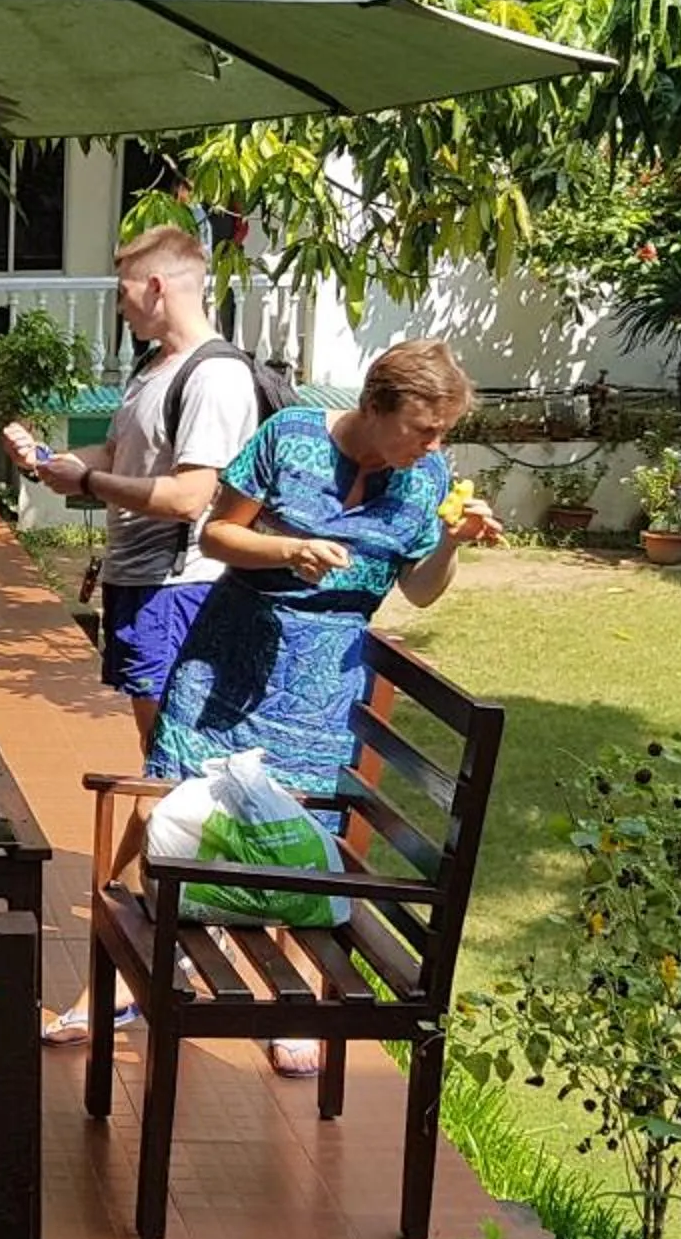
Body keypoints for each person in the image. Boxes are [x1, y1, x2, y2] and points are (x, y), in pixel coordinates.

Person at [152, 337, 502, 1075]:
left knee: (303, 834)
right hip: (233, 656)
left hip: (322, 679)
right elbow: (218, 533)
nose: (434, 446)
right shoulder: (290, 437)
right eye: (424, 429)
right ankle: (146, 968)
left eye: (443, 433)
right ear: (375, 405)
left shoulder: (426, 478)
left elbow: (420, 591)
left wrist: (451, 542)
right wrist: (289, 550)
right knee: (181, 806)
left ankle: (295, 1004)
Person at [3, 224, 264, 1044]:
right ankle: (181, 931)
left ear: (158, 286)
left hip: (179, 592)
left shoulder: (213, 376)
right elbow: (123, 455)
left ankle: (150, 954)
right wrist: (53, 461)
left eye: (124, 290)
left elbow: (189, 496)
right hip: (138, 587)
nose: (119, 305)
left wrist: (89, 478)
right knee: (166, 765)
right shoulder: (153, 370)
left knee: (171, 773)